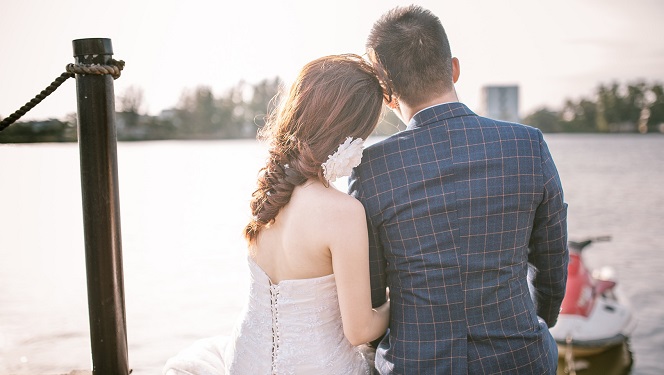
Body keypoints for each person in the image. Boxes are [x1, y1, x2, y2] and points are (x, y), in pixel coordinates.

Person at [348, 5, 569, 374]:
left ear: (387, 94)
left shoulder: (371, 168)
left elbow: (372, 291)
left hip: (415, 365)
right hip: (520, 359)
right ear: (454, 68)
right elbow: (552, 263)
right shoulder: (528, 145)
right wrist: (533, 322)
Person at [163, 54, 390, 374]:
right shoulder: (343, 212)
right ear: (350, 135)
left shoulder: (269, 192)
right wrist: (393, 304)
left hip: (245, 361)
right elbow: (360, 330)